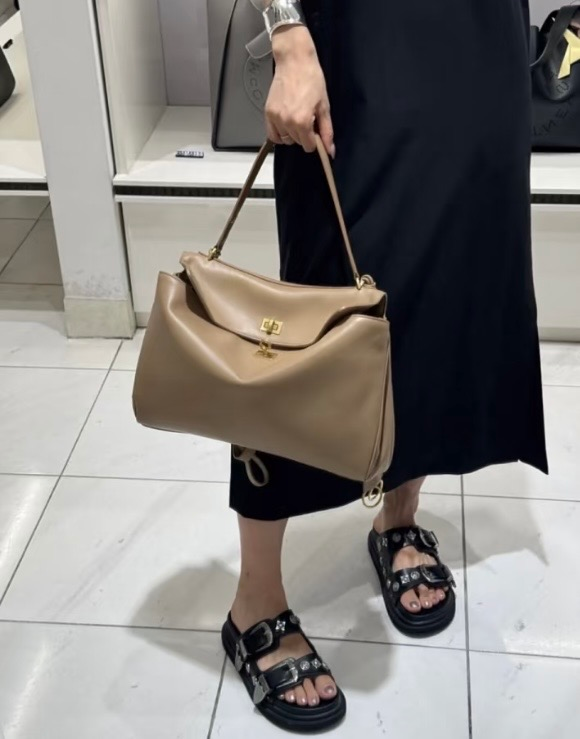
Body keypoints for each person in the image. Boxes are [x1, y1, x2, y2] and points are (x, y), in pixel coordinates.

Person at [221, 0, 548, 732]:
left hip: (481, 45)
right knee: (318, 318)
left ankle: (398, 520)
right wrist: (287, 36)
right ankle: (255, 603)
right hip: (352, 44)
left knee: (446, 290)